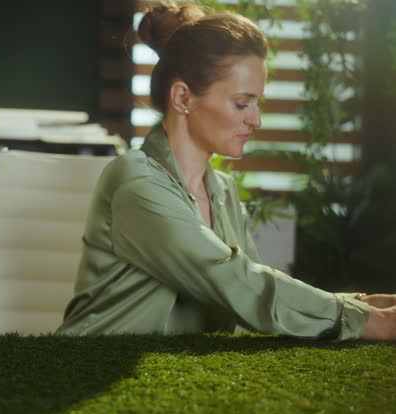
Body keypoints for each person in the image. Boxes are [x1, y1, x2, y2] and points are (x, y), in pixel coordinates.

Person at [57, 1, 396, 341]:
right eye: (241, 103)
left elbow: (255, 289)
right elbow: (239, 285)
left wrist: (362, 304)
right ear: (183, 98)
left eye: (258, 103)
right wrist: (370, 320)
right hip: (87, 365)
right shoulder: (137, 184)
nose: (256, 119)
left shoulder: (223, 190)